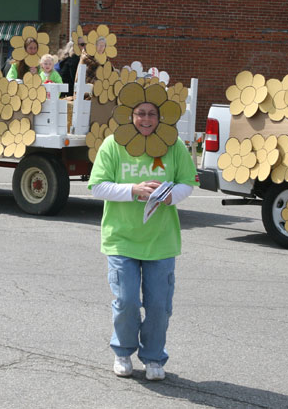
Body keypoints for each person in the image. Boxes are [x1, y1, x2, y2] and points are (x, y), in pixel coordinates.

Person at [87, 97, 197, 381]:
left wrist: (171, 195)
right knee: (126, 301)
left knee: (159, 305)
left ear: (161, 118)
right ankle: (123, 352)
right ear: (130, 116)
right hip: (121, 238)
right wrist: (133, 190)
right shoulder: (114, 144)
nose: (146, 119)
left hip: (160, 241)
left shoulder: (173, 146)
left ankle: (153, 357)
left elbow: (188, 181)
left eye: (152, 114)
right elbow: (97, 186)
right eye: (140, 114)